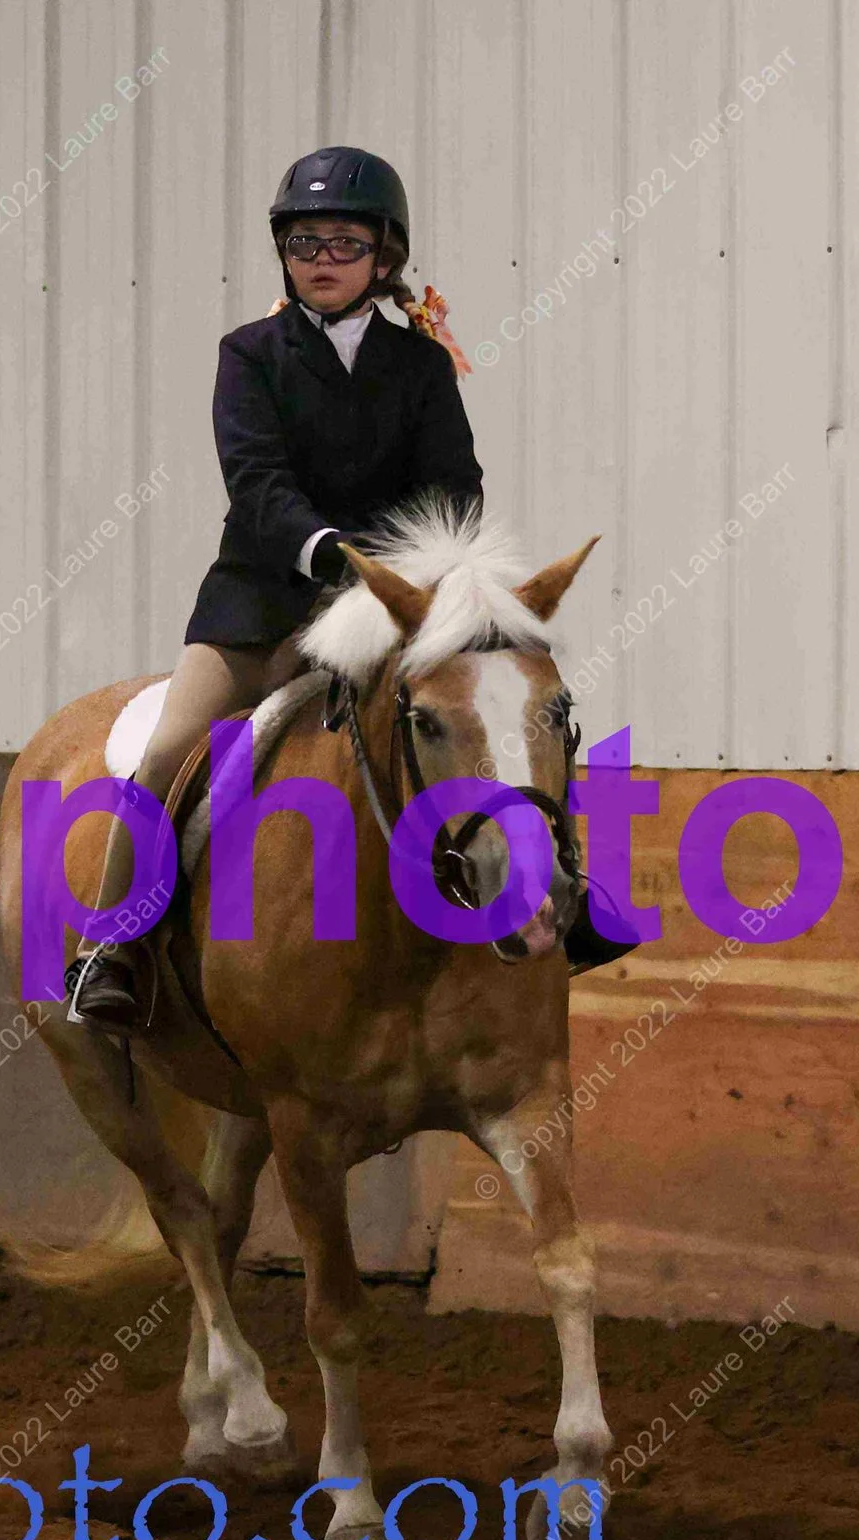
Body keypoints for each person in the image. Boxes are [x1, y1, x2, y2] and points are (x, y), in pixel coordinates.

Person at [64, 145, 634, 1035]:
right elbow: (257, 484)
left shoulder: (421, 365)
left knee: (517, 711)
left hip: (395, 607)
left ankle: (565, 888)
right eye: (304, 243)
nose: (322, 258)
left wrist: (409, 572)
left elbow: (454, 487)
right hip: (264, 600)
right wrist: (329, 551)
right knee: (170, 745)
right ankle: (114, 944)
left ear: (384, 257)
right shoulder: (250, 355)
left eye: (344, 243)